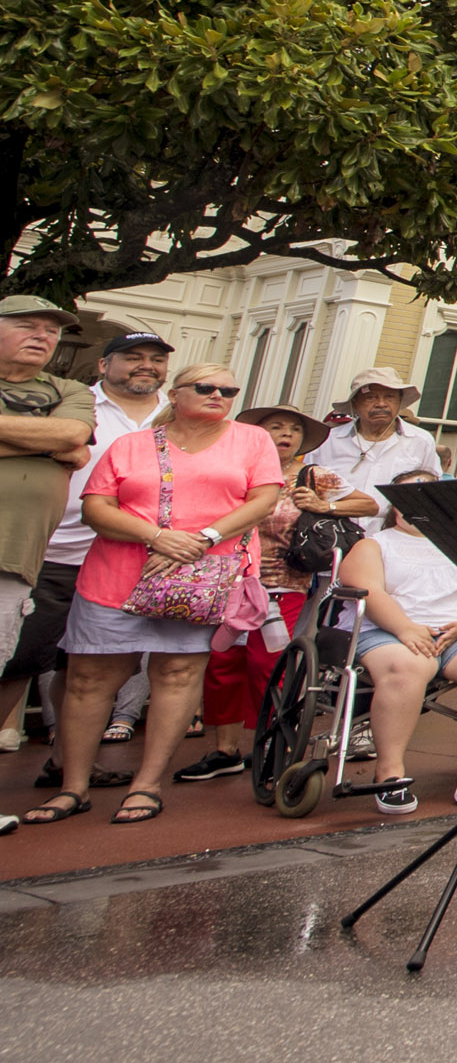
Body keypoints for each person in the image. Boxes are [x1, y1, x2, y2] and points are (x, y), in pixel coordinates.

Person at [27, 363, 282, 826]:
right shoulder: (131, 444)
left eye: (229, 389)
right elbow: (96, 508)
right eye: (205, 387)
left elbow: (262, 500)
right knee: (88, 680)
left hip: (203, 577)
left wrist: (202, 537)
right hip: (117, 575)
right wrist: (156, 536)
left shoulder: (251, 439)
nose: (218, 395)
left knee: (178, 674)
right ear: (177, 392)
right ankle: (73, 787)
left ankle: (146, 785)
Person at [13, 330, 175, 791]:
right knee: (17, 662)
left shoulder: (177, 416)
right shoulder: (74, 405)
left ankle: (67, 762)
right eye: (132, 357)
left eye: (155, 359)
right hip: (57, 550)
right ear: (104, 365)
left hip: (131, 560)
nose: (146, 366)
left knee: (92, 668)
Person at [175, 404, 331, 783]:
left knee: (268, 665)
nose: (286, 434)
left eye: (294, 429)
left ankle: (276, 747)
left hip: (281, 581)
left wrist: (327, 505)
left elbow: (369, 503)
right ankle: (224, 750)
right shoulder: (232, 468)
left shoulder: (311, 476)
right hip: (225, 577)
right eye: (276, 427)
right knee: (222, 665)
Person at [340, 503, 457, 814]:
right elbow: (368, 590)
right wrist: (404, 628)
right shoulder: (374, 544)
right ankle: (389, 772)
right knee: (409, 666)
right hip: (388, 629)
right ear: (395, 509)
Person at [0, 296, 94, 829]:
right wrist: (42, 448)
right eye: (26, 326)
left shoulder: (66, 392)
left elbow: (71, 438)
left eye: (51, 330)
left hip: (16, 557)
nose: (42, 336)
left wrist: (60, 444)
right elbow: (59, 445)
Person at [313, 367, 441, 514]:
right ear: (355, 403)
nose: (381, 404)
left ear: (400, 402)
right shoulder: (329, 441)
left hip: (394, 533)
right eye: (371, 397)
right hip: (334, 530)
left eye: (389, 397)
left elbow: (432, 491)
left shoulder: (420, 441)